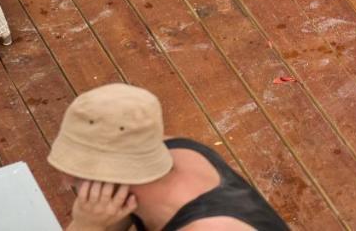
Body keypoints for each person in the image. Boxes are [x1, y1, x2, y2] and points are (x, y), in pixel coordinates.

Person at [47, 83, 288, 231]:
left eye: (77, 172)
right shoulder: (165, 150)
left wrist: (87, 226)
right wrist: (90, 224)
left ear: (119, 171)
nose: (65, 181)